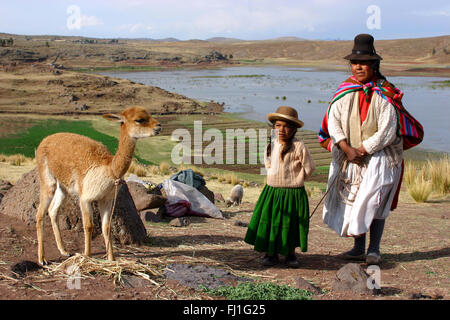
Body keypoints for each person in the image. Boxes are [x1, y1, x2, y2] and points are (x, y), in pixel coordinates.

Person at [318, 34, 423, 265]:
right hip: (349, 155)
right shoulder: (345, 89)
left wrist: (362, 150)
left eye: (363, 63)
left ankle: (374, 249)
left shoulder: (385, 92)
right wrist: (346, 147)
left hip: (380, 158)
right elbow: (332, 120)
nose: (358, 67)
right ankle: (357, 248)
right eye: (355, 63)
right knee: (355, 200)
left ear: (374, 64)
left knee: (374, 202)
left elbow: (387, 130)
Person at [244, 106, 316, 268]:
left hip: (293, 193)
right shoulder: (270, 146)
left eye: (286, 126)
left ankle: (290, 254)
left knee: (290, 224)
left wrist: (294, 180)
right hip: (272, 191)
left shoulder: (299, 147)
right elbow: (268, 166)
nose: (281, 129)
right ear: (274, 127)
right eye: (278, 125)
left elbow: (309, 168)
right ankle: (271, 253)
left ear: (294, 129)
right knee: (270, 222)